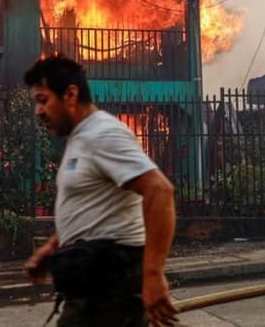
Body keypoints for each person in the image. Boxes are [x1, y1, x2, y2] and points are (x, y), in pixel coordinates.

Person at [23, 54, 178, 327]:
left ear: (70, 94)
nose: (38, 112)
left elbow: (160, 191)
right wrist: (51, 247)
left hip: (110, 286)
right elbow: (91, 209)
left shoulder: (103, 135)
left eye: (43, 100)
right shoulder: (81, 137)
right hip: (92, 285)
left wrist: (153, 274)